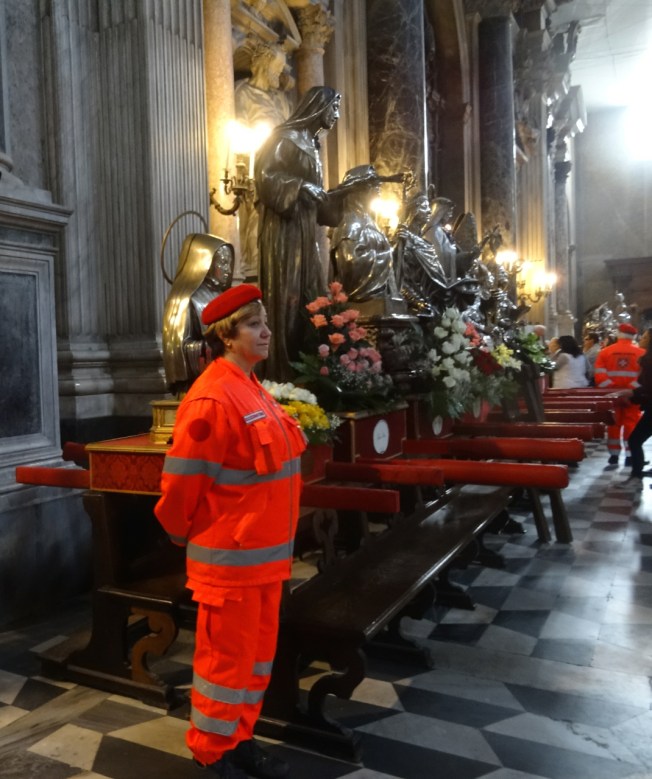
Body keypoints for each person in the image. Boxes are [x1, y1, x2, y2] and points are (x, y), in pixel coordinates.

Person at [155, 284, 306, 779]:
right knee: (224, 665)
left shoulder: (251, 387)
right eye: (253, 325)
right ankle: (211, 753)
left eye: (264, 323)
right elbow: (181, 485)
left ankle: (239, 741)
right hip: (230, 564)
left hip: (265, 560)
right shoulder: (213, 397)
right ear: (226, 335)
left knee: (254, 662)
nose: (266, 332)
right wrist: (181, 535)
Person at [254, 85, 341, 380]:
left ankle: (308, 371)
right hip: (284, 232)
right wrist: (302, 187)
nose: (337, 115)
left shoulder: (312, 145)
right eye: (334, 107)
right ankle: (282, 373)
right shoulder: (285, 138)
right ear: (318, 107)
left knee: (310, 295)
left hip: (305, 231)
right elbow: (265, 177)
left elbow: (319, 202)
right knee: (288, 297)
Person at [234, 40, 293, 282]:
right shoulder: (242, 93)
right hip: (255, 172)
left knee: (281, 231)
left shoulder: (281, 100)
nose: (279, 74)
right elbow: (237, 134)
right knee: (257, 226)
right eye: (277, 69)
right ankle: (253, 270)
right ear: (263, 65)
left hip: (283, 175)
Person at [162, 234, 235, 396]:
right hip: (197, 387)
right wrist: (219, 346)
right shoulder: (183, 299)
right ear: (204, 263)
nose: (228, 270)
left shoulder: (221, 295)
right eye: (223, 263)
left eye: (229, 264)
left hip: (225, 381)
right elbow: (178, 349)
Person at [330, 164, 403, 306]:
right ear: (358, 190)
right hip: (363, 302)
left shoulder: (370, 222)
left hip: (380, 301)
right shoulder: (351, 224)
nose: (378, 187)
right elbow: (351, 263)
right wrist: (388, 254)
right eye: (372, 184)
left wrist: (396, 248)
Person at [594, 322, 645, 465]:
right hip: (632, 396)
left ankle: (614, 455)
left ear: (618, 334)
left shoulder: (605, 352)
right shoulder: (641, 353)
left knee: (613, 424)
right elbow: (644, 376)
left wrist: (612, 390)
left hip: (612, 396)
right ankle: (630, 455)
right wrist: (631, 390)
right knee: (631, 424)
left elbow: (599, 374)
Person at [620, 328, 652, 487]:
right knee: (635, 440)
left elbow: (648, 387)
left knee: (634, 440)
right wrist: (632, 397)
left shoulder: (648, 360)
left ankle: (636, 475)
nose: (641, 339)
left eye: (645, 337)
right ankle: (636, 474)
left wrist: (632, 393)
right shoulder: (646, 359)